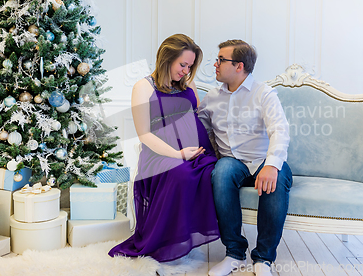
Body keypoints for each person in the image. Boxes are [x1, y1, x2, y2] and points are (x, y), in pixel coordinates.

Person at [108, 34, 220, 262]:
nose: (186, 71)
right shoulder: (143, 87)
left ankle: (186, 232)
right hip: (161, 154)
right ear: (166, 59)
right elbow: (144, 134)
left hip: (196, 150)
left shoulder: (188, 83)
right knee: (181, 174)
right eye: (182, 64)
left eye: (190, 66)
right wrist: (178, 154)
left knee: (213, 174)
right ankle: (165, 239)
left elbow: (198, 117)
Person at [198, 40, 292, 276]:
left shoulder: (263, 93)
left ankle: (264, 259)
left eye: (221, 60)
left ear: (239, 66)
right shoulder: (211, 98)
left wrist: (271, 165)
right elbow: (198, 129)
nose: (215, 64)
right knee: (221, 171)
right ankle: (234, 253)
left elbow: (279, 129)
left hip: (262, 160)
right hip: (233, 163)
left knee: (276, 179)